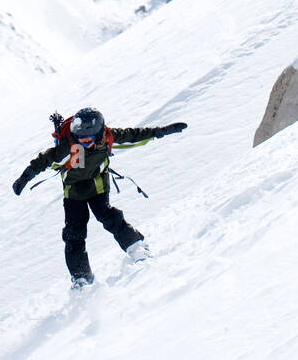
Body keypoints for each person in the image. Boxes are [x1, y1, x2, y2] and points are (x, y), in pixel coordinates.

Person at [12, 107, 188, 286]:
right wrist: (24, 178)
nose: (83, 143)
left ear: (98, 134)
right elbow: (44, 160)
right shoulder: (69, 147)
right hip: (73, 193)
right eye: (80, 138)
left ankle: (136, 247)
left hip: (98, 186)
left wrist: (161, 132)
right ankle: (81, 276)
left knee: (109, 216)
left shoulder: (107, 138)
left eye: (88, 139)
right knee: (74, 233)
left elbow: (133, 135)